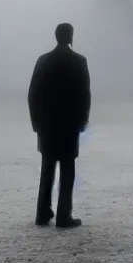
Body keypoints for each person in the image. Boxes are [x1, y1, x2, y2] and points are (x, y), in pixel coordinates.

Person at [27, 23, 91, 228]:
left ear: (56, 37)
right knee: (67, 170)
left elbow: (33, 94)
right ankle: (64, 215)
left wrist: (35, 122)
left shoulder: (43, 61)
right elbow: (84, 95)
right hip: (69, 124)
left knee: (47, 169)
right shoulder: (79, 61)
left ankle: (42, 212)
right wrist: (82, 120)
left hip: (47, 125)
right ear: (70, 37)